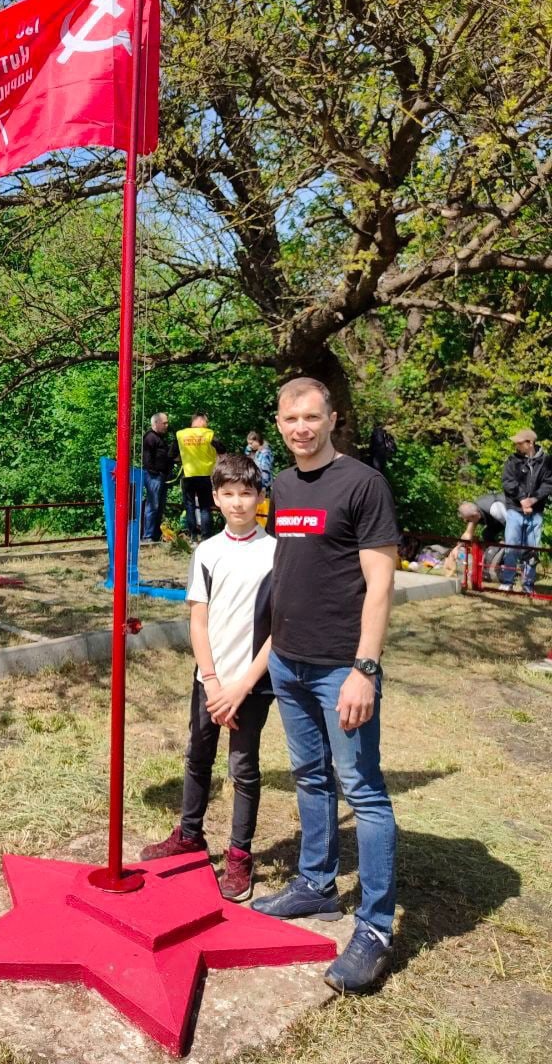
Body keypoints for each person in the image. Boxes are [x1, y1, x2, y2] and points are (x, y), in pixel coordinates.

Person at [251, 377, 399, 995]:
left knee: (362, 790)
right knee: (310, 777)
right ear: (280, 422)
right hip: (289, 661)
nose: (301, 428)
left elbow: (381, 580)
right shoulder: (281, 487)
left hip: (343, 666)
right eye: (291, 419)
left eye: (312, 417)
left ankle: (376, 927)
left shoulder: (363, 484)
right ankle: (315, 886)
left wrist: (365, 668)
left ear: (332, 419)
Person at [139, 452, 276, 902]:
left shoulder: (276, 552)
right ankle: (190, 834)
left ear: (259, 497)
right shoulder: (207, 551)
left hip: (253, 685)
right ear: (215, 497)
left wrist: (242, 686)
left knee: (242, 769)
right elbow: (198, 621)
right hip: (211, 681)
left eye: (246, 493)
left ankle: (239, 855)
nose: (238, 503)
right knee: (198, 757)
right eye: (229, 494)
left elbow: (280, 629)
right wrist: (213, 681)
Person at [499, 428, 552, 594]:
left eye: (519, 443)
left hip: (536, 512)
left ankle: (528, 585)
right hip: (515, 509)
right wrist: (522, 500)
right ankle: (507, 581)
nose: (516, 445)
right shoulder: (512, 460)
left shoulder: (546, 461)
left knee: (533, 549)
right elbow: (508, 482)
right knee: (511, 546)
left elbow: (549, 484)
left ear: (530, 443)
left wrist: (534, 499)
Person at [176, 413, 225, 541]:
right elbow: (223, 450)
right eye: (206, 421)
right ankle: (206, 536)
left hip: (188, 475)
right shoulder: (209, 434)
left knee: (189, 506)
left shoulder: (181, 435)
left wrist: (181, 459)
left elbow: (172, 454)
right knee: (205, 507)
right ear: (202, 421)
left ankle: (193, 536)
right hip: (205, 476)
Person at [442, 494, 506, 583]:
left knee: (507, 542)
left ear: (475, 515)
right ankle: (492, 563)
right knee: (486, 534)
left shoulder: (494, 509)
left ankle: (505, 566)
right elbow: (467, 534)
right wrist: (457, 548)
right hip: (497, 521)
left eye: (468, 520)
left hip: (514, 517)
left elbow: (512, 526)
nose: (467, 522)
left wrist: (505, 540)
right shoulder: (474, 512)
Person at [141, 412, 176, 542]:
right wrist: (153, 472)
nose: (167, 425)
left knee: (159, 506)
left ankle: (155, 534)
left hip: (161, 476)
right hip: (153, 476)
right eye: (164, 423)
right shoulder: (150, 437)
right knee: (153, 505)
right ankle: (148, 535)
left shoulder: (160, 438)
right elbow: (147, 457)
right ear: (156, 423)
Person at [244, 430, 274, 495]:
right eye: (248, 443)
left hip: (263, 487)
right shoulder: (254, 451)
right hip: (254, 484)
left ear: (257, 441)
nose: (249, 446)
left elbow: (265, 471)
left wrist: (263, 487)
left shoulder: (265, 453)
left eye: (251, 443)